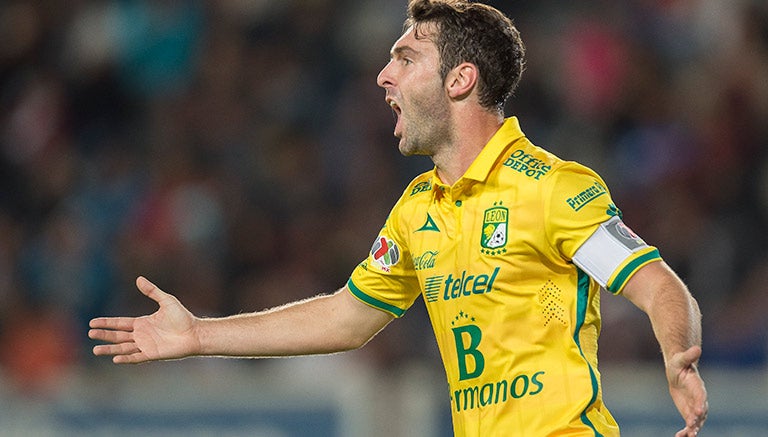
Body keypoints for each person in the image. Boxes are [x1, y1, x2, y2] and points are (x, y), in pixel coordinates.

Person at [89, 1, 708, 435]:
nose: (383, 75)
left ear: (460, 79)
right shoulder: (417, 210)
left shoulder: (550, 188)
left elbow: (657, 287)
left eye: (406, 59)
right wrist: (199, 336)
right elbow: (347, 316)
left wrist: (679, 356)